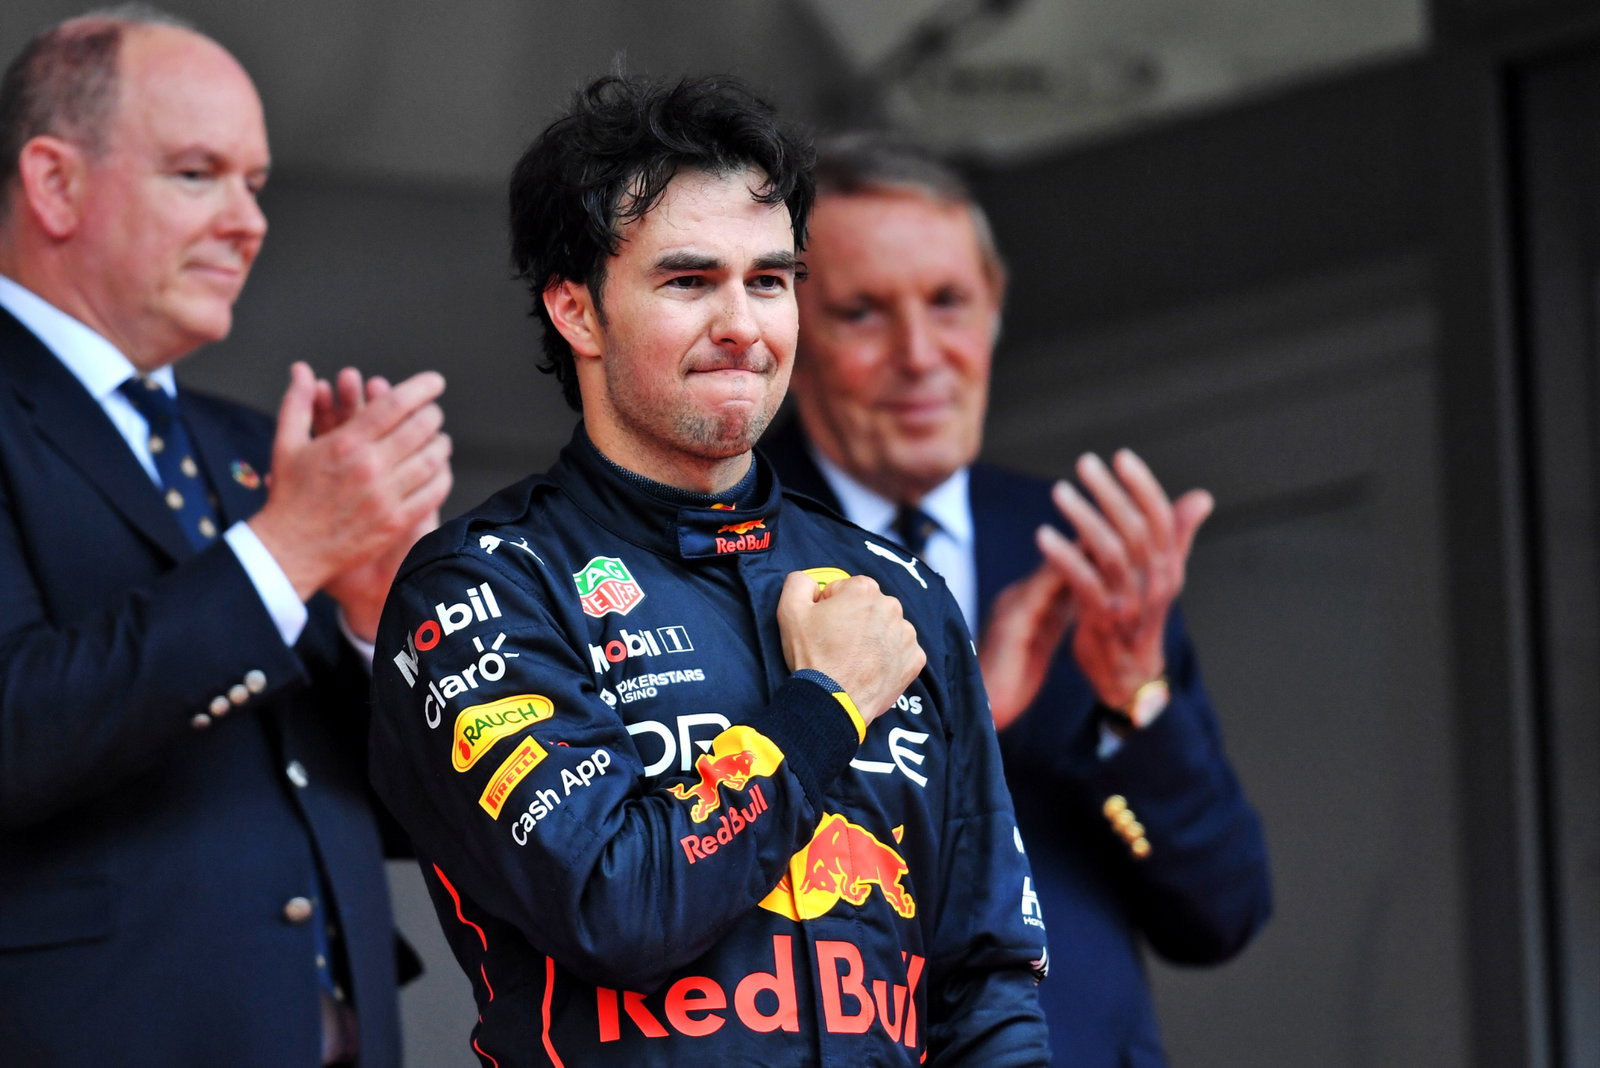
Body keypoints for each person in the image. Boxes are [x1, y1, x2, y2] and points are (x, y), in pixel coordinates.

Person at [368, 74, 1049, 1066]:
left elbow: (985, 970)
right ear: (578, 310)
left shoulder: (895, 590)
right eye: (690, 282)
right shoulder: (482, 591)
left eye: (768, 281)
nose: (743, 323)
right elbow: (613, 905)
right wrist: (822, 706)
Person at [0, 10, 452, 1066]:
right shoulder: (283, 498)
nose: (248, 222)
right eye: (198, 174)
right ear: (55, 184)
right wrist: (285, 551)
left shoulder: (253, 449)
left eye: (255, 184)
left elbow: (404, 818)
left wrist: (379, 614)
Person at [764, 133, 1272, 1066]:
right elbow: (683, 869)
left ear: (994, 310)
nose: (921, 356)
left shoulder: (1078, 547)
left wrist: (1136, 703)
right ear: (787, 333)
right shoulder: (720, 540)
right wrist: (970, 721)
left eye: (949, 302)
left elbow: (1221, 913)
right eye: (864, 312)